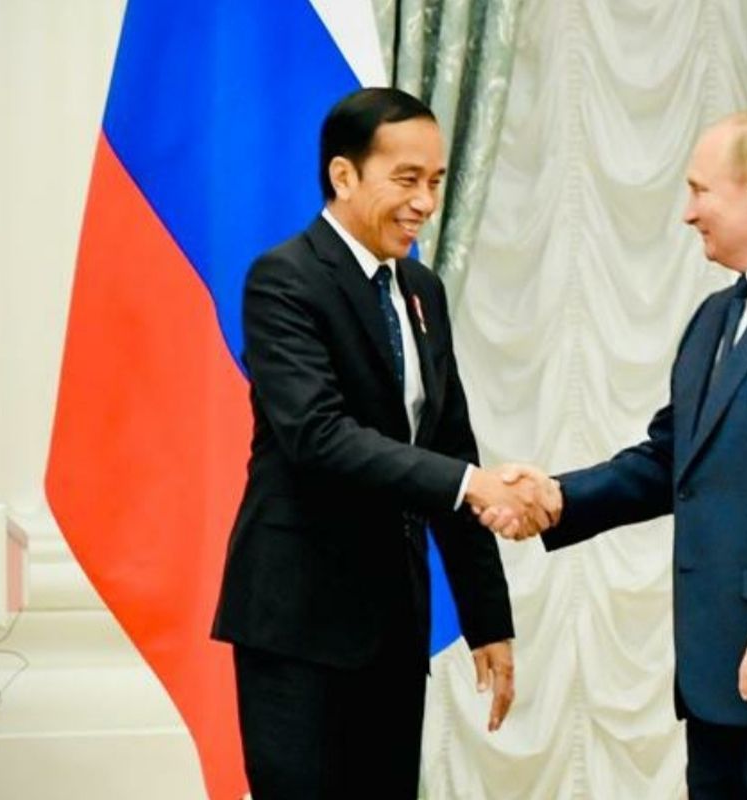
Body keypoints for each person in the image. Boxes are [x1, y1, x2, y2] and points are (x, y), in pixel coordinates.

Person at [486, 109, 747, 799]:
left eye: (699, 191)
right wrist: (558, 497)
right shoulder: (717, 316)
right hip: (718, 676)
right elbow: (670, 459)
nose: (688, 214)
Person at [212, 87, 549, 799]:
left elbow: (451, 447)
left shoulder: (422, 288)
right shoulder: (283, 280)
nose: (425, 202)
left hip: (394, 632)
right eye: (406, 180)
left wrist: (488, 618)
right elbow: (319, 436)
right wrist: (472, 486)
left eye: (435, 182)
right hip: (298, 624)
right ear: (344, 176)